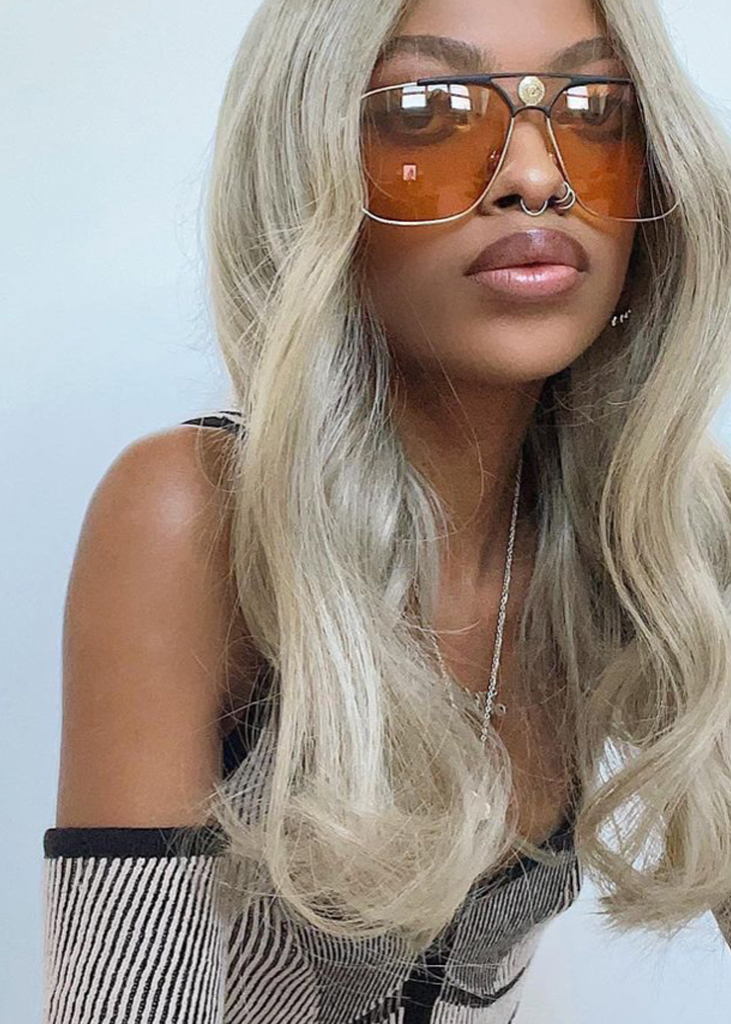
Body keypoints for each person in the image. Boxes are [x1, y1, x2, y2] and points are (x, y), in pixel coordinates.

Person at [42, 0, 731, 1021]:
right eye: (426, 113)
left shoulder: (674, 537)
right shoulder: (198, 514)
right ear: (308, 174)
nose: (535, 175)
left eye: (596, 111)